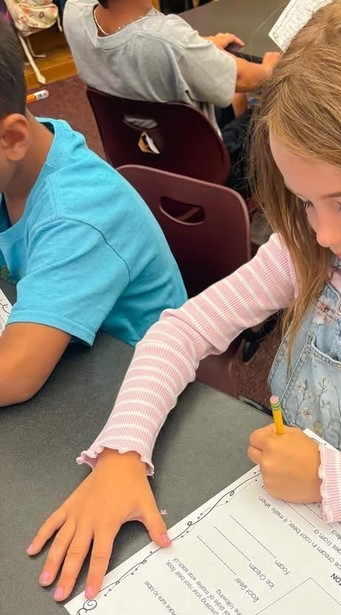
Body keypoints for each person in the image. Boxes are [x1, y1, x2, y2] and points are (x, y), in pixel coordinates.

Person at [29, 0, 341, 602]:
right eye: (305, 202)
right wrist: (122, 449)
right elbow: (180, 331)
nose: (322, 234)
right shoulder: (305, 244)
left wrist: (333, 477)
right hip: (295, 516)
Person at [0, 18, 187, 406]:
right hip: (76, 357)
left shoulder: (76, 214)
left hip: (136, 383)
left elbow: (13, 375)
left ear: (12, 138)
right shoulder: (21, 158)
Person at [63, 0, 280, 195]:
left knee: (234, 96)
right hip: (204, 172)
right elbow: (245, 78)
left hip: (139, 155)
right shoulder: (168, 39)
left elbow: (155, 45)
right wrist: (271, 67)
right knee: (279, 101)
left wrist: (200, 49)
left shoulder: (74, 13)